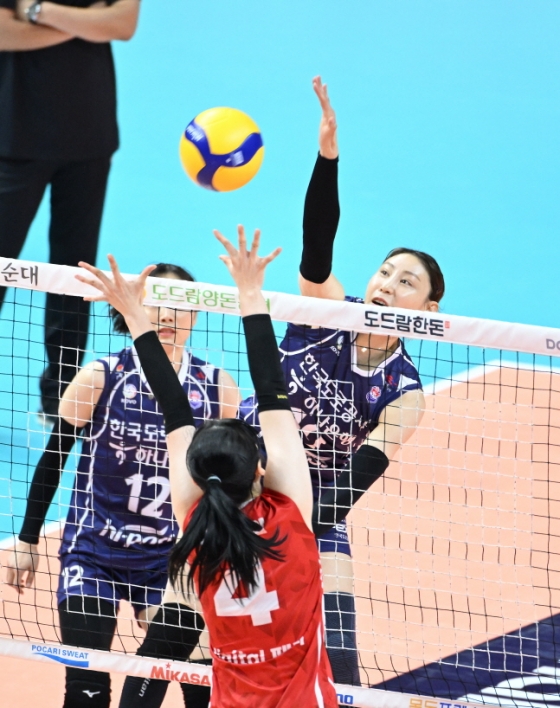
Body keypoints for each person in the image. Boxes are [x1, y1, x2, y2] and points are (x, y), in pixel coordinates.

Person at [239, 76, 446, 687]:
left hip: (319, 505)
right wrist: (327, 158)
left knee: (341, 646)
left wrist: (288, 530)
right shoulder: (329, 312)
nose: (387, 285)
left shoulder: (405, 392)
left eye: (406, 282)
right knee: (192, 635)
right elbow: (316, 247)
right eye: (385, 272)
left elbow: (355, 482)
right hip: (241, 476)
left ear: (428, 312)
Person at [79, 228, 339, 708]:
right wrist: (250, 293)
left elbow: (174, 408)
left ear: (198, 478)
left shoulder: (196, 533)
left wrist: (135, 315)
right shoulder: (291, 516)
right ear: (259, 470)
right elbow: (269, 391)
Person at [5, 262, 239, 708]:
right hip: (94, 553)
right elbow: (55, 457)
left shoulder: (216, 388)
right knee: (87, 693)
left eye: (178, 305)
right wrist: (28, 539)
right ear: (132, 308)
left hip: (171, 562)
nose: (166, 315)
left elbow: (231, 482)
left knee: (201, 684)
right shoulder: (102, 376)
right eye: (154, 304)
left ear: (196, 315)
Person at [0, 0, 140, 421]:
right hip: (13, 136)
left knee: (74, 276)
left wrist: (36, 11)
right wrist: (87, 23)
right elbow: (4, 31)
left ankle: (59, 398)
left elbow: (123, 22)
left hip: (89, 137)